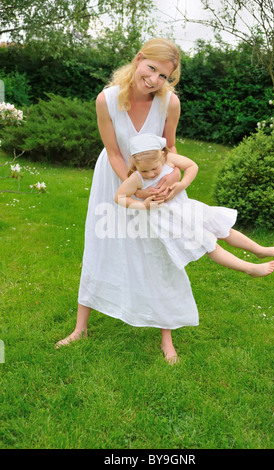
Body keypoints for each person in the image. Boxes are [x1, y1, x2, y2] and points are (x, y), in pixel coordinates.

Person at [56, 38, 199, 363]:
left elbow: (171, 149)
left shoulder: (169, 104)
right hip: (115, 180)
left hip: (158, 182)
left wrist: (170, 178)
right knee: (100, 244)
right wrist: (134, 188)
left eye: (164, 76)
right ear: (138, 59)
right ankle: (81, 328)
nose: (154, 80)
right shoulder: (106, 100)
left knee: (159, 251)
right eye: (151, 69)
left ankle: (166, 336)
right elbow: (114, 151)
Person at [115, 132, 274, 292]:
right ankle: (249, 268)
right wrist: (143, 205)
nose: (150, 174)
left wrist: (182, 184)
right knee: (209, 244)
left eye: (154, 169)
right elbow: (120, 197)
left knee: (223, 229)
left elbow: (191, 166)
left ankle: (259, 250)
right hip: (170, 220)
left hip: (187, 207)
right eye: (144, 171)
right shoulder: (137, 178)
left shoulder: (168, 160)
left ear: (161, 155)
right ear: (135, 165)